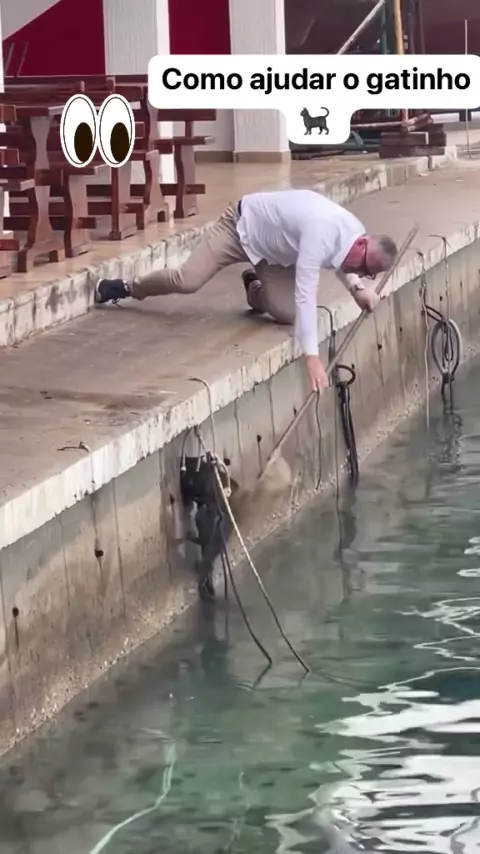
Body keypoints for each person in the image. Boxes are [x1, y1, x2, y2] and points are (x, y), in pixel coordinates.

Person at [95, 188, 397, 391]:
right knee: (187, 280)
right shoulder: (321, 231)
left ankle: (254, 285)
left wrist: (358, 290)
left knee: (287, 314)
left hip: (276, 256)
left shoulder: (353, 237)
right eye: (363, 266)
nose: (361, 272)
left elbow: (342, 261)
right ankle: (127, 287)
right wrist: (312, 357)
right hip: (239, 227)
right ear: (362, 243)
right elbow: (306, 294)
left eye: (367, 273)